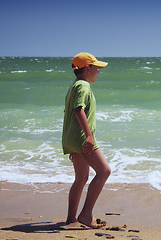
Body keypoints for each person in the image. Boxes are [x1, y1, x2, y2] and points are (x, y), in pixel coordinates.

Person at [62, 52, 111, 228]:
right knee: (104, 171)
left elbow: (69, 112)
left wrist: (72, 143)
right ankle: (86, 214)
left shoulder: (74, 85)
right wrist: (89, 136)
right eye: (96, 68)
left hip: (73, 139)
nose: (98, 71)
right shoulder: (83, 86)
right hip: (82, 138)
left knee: (81, 178)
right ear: (87, 68)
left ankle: (71, 218)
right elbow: (78, 110)